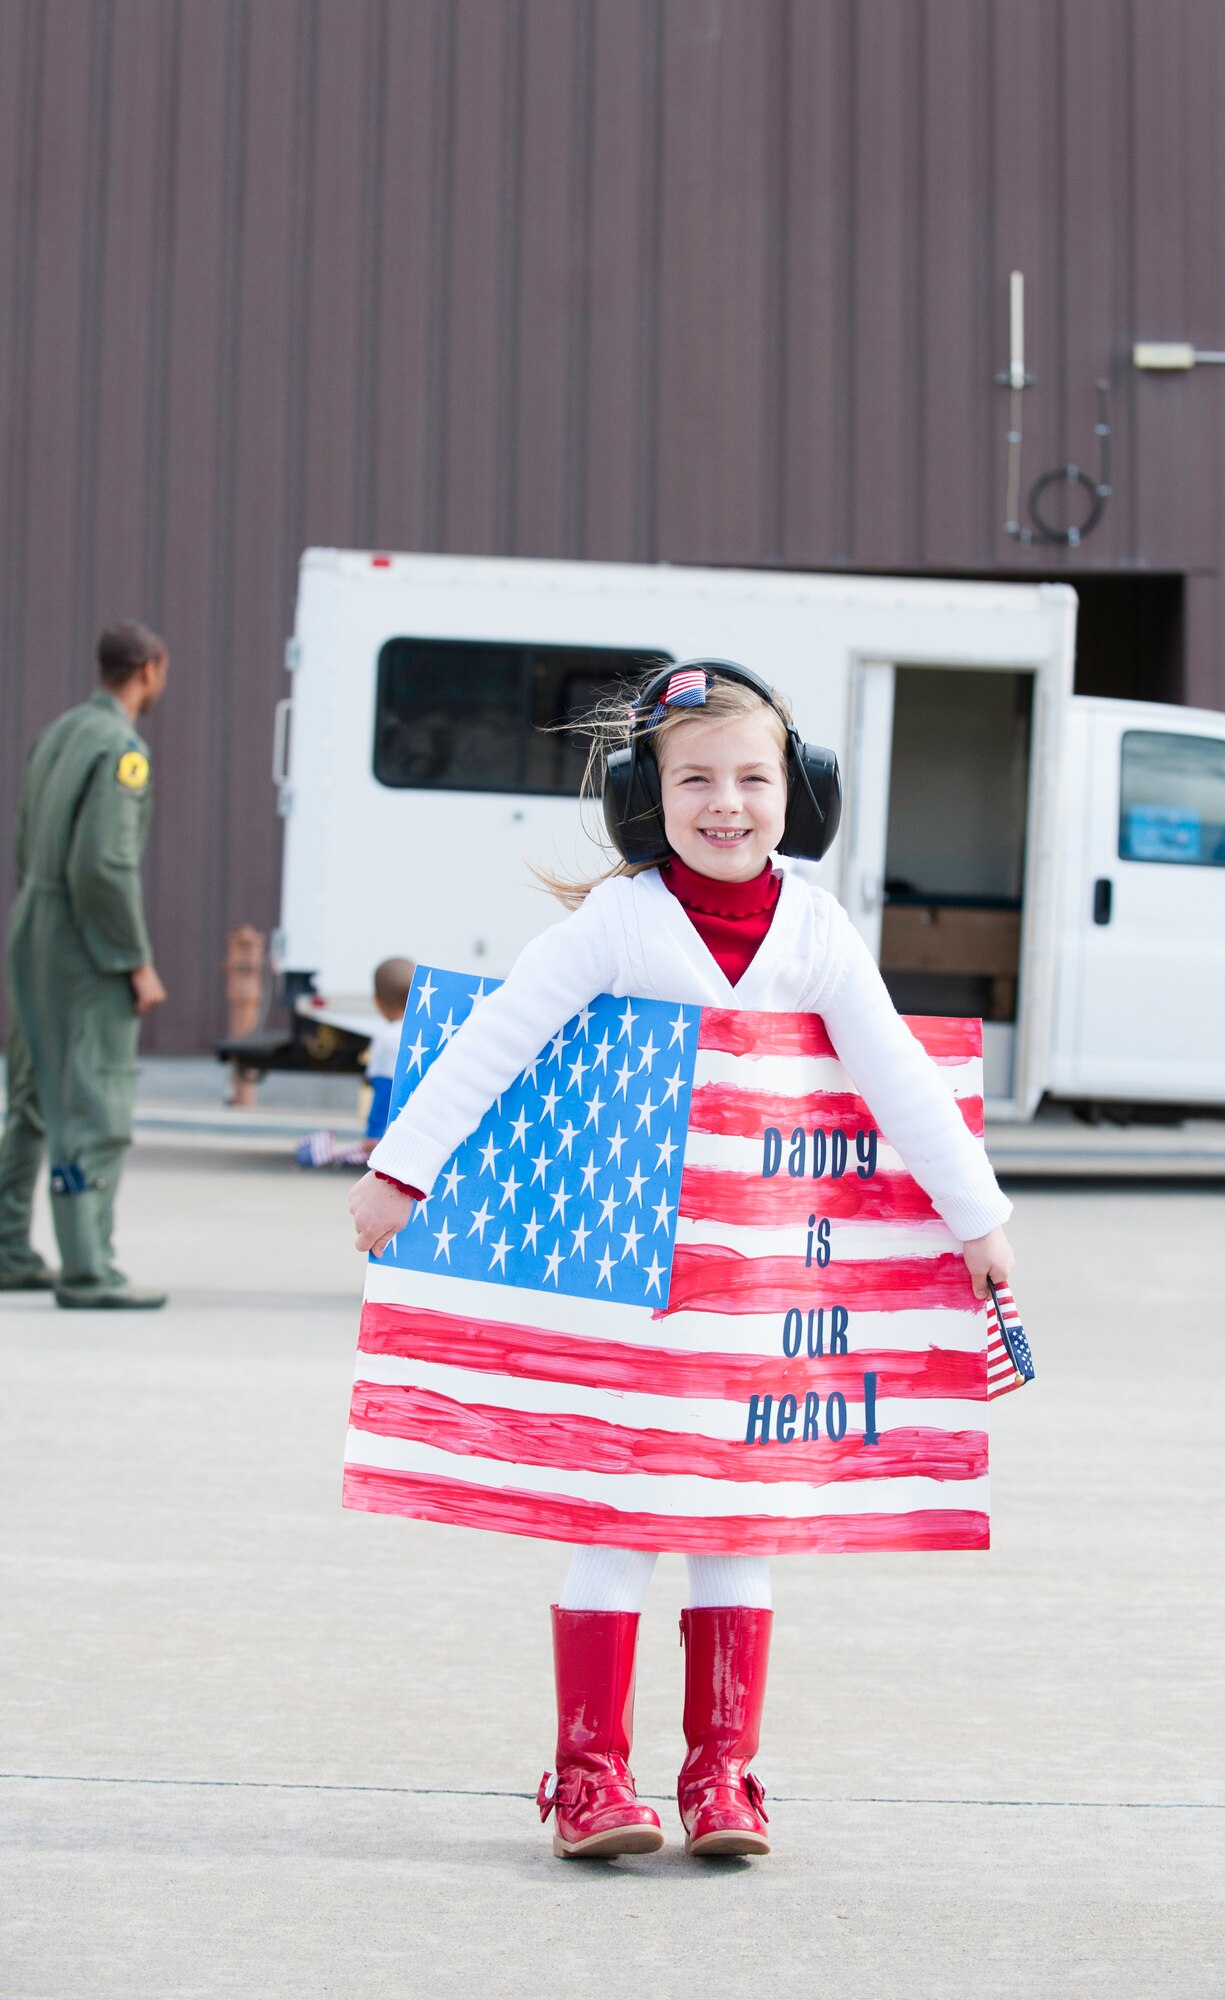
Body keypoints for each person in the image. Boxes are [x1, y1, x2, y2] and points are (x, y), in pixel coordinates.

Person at [347, 661, 1015, 1860]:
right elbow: (500, 1038)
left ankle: (723, 1776)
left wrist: (976, 1215)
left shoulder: (815, 925)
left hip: (751, 1295)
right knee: (614, 1509)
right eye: (694, 778)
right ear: (640, 795)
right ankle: (588, 1775)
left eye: (753, 777)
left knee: (735, 1520)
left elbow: (895, 1080)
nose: (726, 802)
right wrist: (403, 1167)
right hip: (630, 1300)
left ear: (796, 790)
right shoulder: (616, 921)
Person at [0, 622, 170, 1307]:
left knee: (32, 1095)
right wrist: (134, 959)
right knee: (94, 1102)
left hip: (33, 925)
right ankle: (87, 1268)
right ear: (149, 671)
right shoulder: (122, 750)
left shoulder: (60, 733)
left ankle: (10, 1246)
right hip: (83, 941)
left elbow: (22, 838)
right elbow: (104, 863)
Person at [294, 956, 412, 1169]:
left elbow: (385, 1090)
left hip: (394, 1135)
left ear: (377, 1001)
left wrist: (373, 1134)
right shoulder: (426, 1035)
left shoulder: (387, 1039)